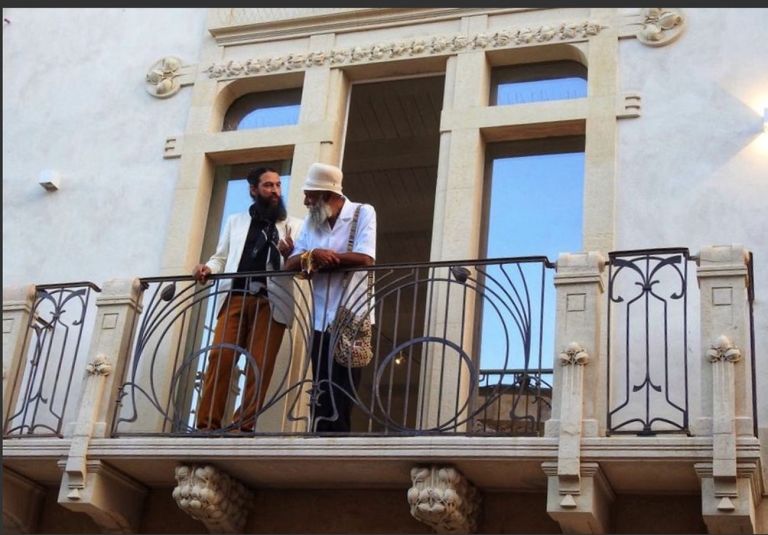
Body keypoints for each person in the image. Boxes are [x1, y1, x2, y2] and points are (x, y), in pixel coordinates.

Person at [192, 167, 303, 432]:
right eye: (268, 186)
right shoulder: (236, 221)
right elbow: (220, 257)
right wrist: (208, 268)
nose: (275, 191)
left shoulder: (294, 225)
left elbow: (298, 266)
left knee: (259, 365)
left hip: (271, 301)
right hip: (236, 297)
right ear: (254, 190)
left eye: (278, 185)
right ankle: (206, 426)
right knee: (220, 357)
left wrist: (291, 253)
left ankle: (242, 426)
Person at [285, 162, 377, 432]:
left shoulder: (363, 212)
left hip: (353, 315)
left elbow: (365, 257)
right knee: (322, 388)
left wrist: (321, 258)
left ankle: (336, 442)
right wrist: (312, 256)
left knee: (344, 388)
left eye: (311, 196)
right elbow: (290, 263)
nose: (306, 201)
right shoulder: (312, 224)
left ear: (329, 195)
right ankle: (318, 439)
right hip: (320, 317)